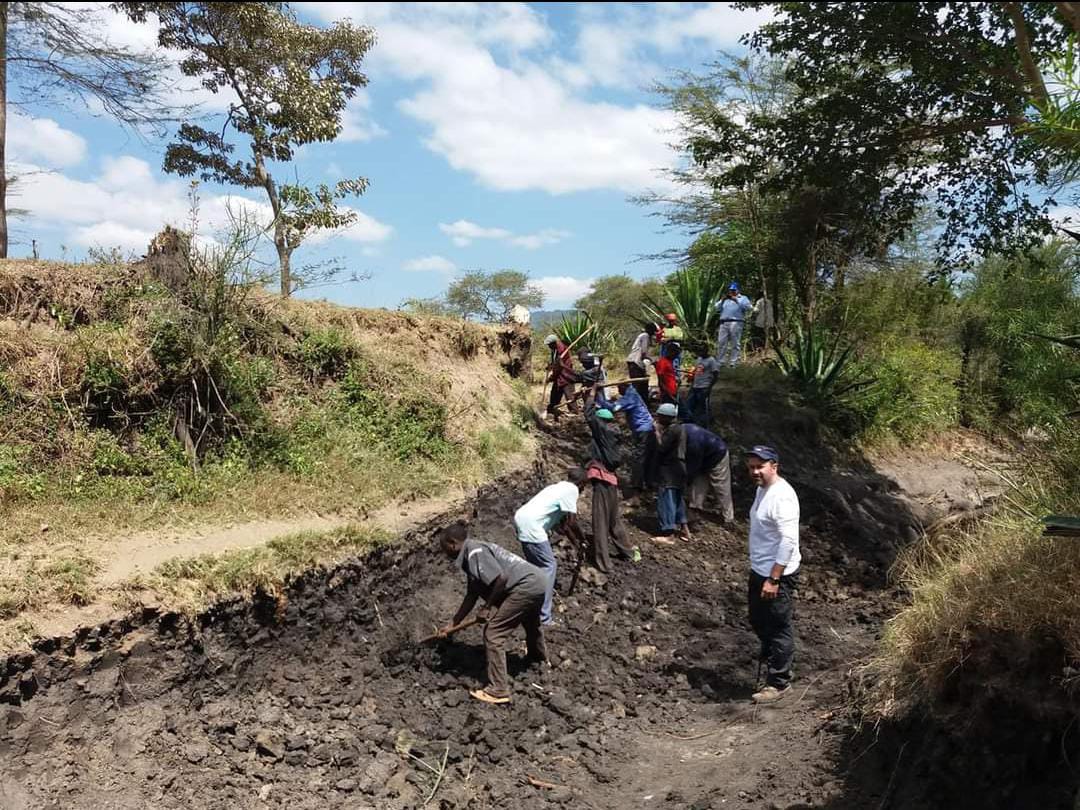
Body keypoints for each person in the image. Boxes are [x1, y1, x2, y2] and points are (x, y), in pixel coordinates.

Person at [438, 521, 547, 705]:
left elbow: (501, 578)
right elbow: (472, 594)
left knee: (493, 634)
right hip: (537, 582)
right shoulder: (473, 552)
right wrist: (454, 624)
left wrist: (487, 607)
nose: (444, 552)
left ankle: (498, 690)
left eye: (444, 548)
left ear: (452, 543)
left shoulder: (474, 553)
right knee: (530, 622)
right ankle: (539, 661)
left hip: (525, 586)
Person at [744, 445, 801, 704]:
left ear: (774, 466)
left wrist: (774, 578)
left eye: (760, 467)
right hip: (760, 569)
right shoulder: (761, 490)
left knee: (778, 626)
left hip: (777, 573)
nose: (755, 471)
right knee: (758, 619)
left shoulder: (783, 496)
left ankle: (779, 682)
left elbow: (789, 541)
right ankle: (775, 661)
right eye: (751, 467)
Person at [513, 469, 588, 625]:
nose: (581, 491)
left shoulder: (556, 488)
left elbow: (565, 527)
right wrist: (583, 538)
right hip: (532, 526)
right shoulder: (571, 490)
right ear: (581, 484)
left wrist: (577, 545)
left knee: (537, 569)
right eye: (583, 488)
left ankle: (528, 604)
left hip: (521, 519)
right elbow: (572, 523)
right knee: (549, 566)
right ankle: (543, 617)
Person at [584, 391, 640, 571]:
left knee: (600, 521)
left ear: (601, 422)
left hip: (601, 479)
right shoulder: (614, 434)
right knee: (614, 519)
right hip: (611, 479)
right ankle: (628, 552)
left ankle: (603, 562)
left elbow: (588, 415)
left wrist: (590, 397)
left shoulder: (603, 432)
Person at [596, 383, 654, 496]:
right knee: (643, 456)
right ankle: (647, 483)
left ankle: (637, 486)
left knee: (639, 458)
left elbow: (614, 408)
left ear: (624, 387)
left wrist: (599, 397)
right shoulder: (631, 393)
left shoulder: (630, 397)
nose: (618, 391)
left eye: (619, 388)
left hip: (643, 429)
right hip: (643, 428)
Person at [644, 402, 689, 546]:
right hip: (680, 468)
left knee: (667, 499)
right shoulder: (680, 428)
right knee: (678, 499)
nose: (657, 418)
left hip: (669, 469)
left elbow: (662, 447)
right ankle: (684, 529)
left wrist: (657, 431)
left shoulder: (672, 430)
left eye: (660, 416)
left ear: (666, 417)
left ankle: (668, 533)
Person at [683, 423, 735, 524]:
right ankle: (695, 508)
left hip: (718, 455)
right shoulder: (682, 431)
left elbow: (693, 465)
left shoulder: (694, 442)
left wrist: (686, 479)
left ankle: (728, 517)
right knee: (698, 483)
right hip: (704, 457)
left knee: (721, 487)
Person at [715, 282, 753, 368]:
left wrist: (736, 300)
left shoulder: (743, 298)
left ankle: (733, 362)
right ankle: (721, 362)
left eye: (733, 290)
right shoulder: (725, 299)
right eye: (730, 290)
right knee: (721, 342)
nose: (731, 292)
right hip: (723, 322)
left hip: (736, 322)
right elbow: (716, 308)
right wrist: (722, 300)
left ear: (738, 290)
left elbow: (750, 308)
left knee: (735, 343)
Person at [544, 334, 578, 421]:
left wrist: (550, 378)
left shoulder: (562, 350)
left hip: (566, 376)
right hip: (559, 377)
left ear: (554, 343)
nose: (549, 347)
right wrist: (551, 366)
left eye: (549, 345)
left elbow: (559, 367)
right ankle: (551, 409)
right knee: (554, 393)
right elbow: (556, 363)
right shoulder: (555, 350)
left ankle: (574, 412)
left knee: (569, 394)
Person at [686, 354, 720, 427]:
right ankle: (689, 423)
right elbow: (696, 372)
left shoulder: (711, 360)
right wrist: (692, 381)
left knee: (702, 407)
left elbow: (716, 375)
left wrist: (709, 388)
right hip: (695, 386)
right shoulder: (699, 359)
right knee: (690, 405)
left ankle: (704, 424)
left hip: (704, 387)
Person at [626, 323, 657, 402]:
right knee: (638, 384)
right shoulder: (645, 336)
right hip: (635, 362)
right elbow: (644, 352)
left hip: (636, 362)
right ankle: (636, 402)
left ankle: (643, 402)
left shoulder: (644, 336)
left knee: (642, 383)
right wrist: (652, 360)